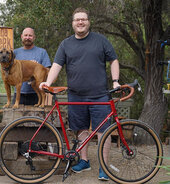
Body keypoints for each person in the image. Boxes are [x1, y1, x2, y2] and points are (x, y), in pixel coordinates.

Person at [39, 7, 120, 181]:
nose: (80, 22)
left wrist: (115, 81)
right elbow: (57, 65)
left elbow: (113, 59)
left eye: (83, 19)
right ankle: (84, 161)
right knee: (81, 130)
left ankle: (104, 167)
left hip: (100, 96)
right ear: (73, 23)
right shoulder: (66, 44)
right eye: (77, 20)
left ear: (88, 21)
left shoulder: (101, 41)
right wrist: (48, 82)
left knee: (103, 132)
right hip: (75, 95)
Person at [12, 27, 51, 105]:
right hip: (19, 94)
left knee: (37, 117)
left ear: (34, 37)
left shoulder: (42, 52)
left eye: (30, 35)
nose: (27, 38)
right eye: (25, 35)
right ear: (21, 36)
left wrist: (36, 66)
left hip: (36, 94)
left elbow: (48, 71)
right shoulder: (14, 53)